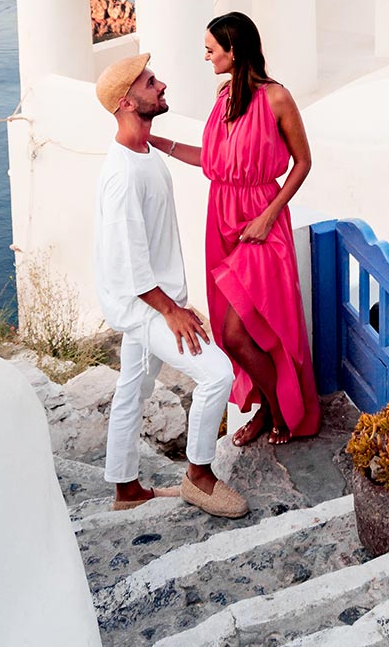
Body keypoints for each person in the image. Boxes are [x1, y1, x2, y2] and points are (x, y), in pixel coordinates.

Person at [151, 13, 321, 446]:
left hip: (261, 221)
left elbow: (303, 163)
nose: (205, 56)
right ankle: (265, 409)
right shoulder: (224, 95)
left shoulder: (277, 97)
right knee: (239, 329)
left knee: (238, 331)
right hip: (222, 217)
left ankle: (283, 412)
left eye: (211, 49)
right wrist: (157, 142)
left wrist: (268, 216)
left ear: (235, 50)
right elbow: (213, 160)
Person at [94, 52, 248, 517]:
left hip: (152, 300)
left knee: (134, 389)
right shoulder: (122, 175)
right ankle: (199, 477)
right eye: (149, 82)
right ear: (126, 102)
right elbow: (129, 260)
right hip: (145, 305)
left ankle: (125, 490)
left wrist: (156, 140)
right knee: (217, 374)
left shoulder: (140, 152)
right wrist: (171, 310)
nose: (160, 86)